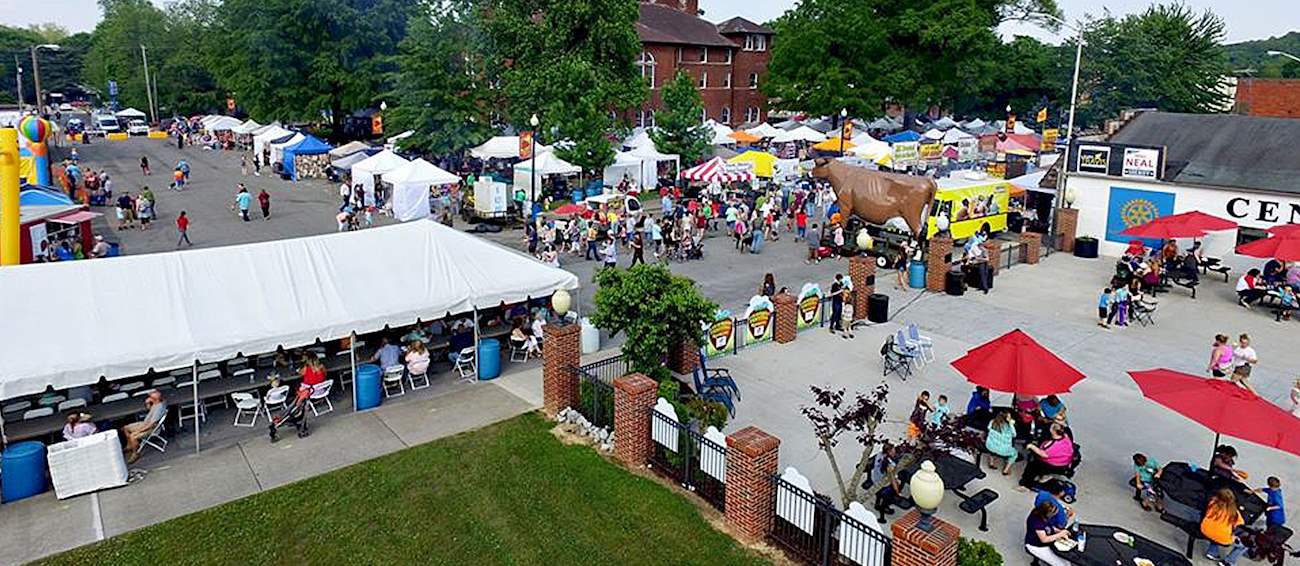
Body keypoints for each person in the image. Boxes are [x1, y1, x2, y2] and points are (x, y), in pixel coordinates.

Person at [1020, 423, 1074, 488]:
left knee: (1033, 465)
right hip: (1065, 462)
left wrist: (1031, 446)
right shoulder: (1065, 437)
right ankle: (1044, 475)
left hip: (1054, 464)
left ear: (1053, 431)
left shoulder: (1053, 444)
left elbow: (1044, 454)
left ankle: (1025, 483)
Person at [1202, 488, 1247, 565]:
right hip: (1223, 537)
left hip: (1205, 529)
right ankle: (1228, 562)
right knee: (1244, 545)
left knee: (1215, 532)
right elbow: (1240, 524)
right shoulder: (1233, 511)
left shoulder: (1212, 503)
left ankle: (1212, 552)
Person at [121, 390, 167, 463]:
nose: (149, 398)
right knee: (125, 428)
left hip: (152, 428)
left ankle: (135, 453)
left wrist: (139, 431)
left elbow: (151, 424)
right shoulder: (157, 403)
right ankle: (130, 445)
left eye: (150, 397)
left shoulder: (159, 408)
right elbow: (150, 410)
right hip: (144, 423)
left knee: (133, 436)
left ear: (154, 399)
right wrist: (148, 403)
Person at [1024, 500, 1073, 566]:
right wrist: (1060, 534)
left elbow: (1049, 526)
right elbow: (1044, 539)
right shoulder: (1036, 522)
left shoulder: (1042, 514)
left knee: (1067, 562)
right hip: (1036, 546)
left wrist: (1059, 531)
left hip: (1045, 541)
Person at [985, 410, 1018, 475]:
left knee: (992, 448)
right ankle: (1006, 470)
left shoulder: (992, 422)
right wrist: (1012, 425)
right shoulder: (1008, 427)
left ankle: (991, 463)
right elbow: (1014, 435)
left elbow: (988, 428)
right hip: (1003, 450)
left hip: (989, 446)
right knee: (1014, 454)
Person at [828, 273, 847, 338]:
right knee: (835, 313)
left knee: (839, 313)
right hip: (835, 300)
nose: (841, 280)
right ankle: (831, 327)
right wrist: (840, 291)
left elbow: (843, 289)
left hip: (840, 300)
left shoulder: (841, 283)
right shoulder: (834, 285)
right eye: (841, 279)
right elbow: (832, 294)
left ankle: (837, 325)